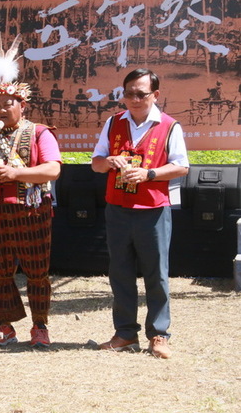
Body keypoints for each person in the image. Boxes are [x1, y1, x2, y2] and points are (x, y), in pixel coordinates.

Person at [0, 35, 62, 347]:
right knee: (1, 272)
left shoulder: (40, 132)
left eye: (9, 103)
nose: (2, 109)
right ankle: (4, 325)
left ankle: (40, 326)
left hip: (32, 210)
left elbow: (53, 169)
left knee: (36, 271)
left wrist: (17, 173)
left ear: (23, 105)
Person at [91, 68, 189, 359]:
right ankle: (124, 333)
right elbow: (95, 163)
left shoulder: (170, 126)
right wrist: (109, 161)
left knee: (156, 274)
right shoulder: (113, 122)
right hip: (118, 208)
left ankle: (158, 334)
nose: (133, 99)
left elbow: (182, 166)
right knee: (119, 271)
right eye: (128, 93)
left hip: (153, 210)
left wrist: (149, 173)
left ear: (155, 95)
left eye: (141, 93)